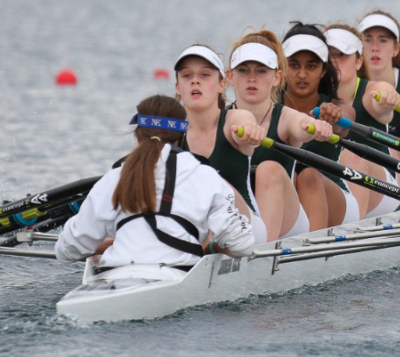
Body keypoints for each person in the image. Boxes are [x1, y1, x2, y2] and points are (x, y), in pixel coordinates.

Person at [55, 95, 255, 270]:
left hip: (115, 274)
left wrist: (112, 243)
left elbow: (67, 250)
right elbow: (243, 245)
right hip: (178, 278)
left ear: (137, 134)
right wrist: (213, 247)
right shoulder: (205, 176)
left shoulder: (113, 178)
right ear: (183, 134)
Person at [227, 29, 334, 240]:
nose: (252, 79)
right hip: (242, 217)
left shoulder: (285, 117)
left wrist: (315, 126)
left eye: (261, 71)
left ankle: (260, 254)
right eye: (243, 71)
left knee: (269, 170)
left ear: (276, 78)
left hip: (288, 222)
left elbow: (300, 124)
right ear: (230, 76)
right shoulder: (220, 119)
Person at [174, 44, 269, 245]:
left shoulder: (234, 119)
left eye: (205, 75)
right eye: (186, 76)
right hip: (197, 227)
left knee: (204, 176)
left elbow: (244, 122)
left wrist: (249, 131)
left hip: (247, 228)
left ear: (221, 85)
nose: (195, 81)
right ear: (178, 88)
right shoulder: (171, 132)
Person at [281, 23, 361, 230]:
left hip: (336, 201)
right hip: (286, 196)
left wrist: (335, 118)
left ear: (324, 70)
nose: (302, 74)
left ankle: (312, 250)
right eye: (294, 65)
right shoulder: (269, 106)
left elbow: (346, 120)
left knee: (307, 174)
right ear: (281, 67)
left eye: (311, 66)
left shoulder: (337, 107)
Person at [324, 23, 400, 218]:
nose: (334, 62)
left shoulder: (370, 91)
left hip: (382, 189)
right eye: (329, 56)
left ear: (359, 62)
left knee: (352, 157)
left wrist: (387, 97)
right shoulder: (312, 94)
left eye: (342, 56)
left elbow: (383, 92)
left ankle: (352, 231)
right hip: (332, 182)